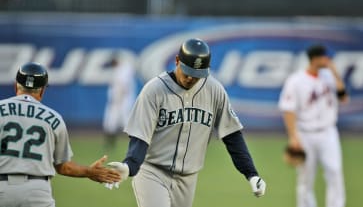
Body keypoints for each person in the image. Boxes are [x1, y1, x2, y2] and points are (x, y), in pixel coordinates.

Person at [106, 38, 266, 207]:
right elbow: (141, 137)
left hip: (188, 179)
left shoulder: (214, 90)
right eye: (187, 71)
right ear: (177, 61)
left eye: (196, 75)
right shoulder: (154, 90)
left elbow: (232, 135)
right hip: (153, 172)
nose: (190, 78)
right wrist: (130, 165)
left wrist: (251, 173)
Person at [0, 63, 121, 207]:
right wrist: (89, 172)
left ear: (16, 86)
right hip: (38, 191)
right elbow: (64, 167)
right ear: (42, 90)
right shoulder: (54, 118)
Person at [279, 45, 348, 207]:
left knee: (335, 173)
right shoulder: (296, 81)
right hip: (306, 134)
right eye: (326, 57)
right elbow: (288, 109)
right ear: (315, 59)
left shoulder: (330, 77)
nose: (329, 60)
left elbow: (344, 98)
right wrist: (293, 137)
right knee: (305, 178)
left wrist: (336, 74)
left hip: (329, 132)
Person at [103, 56, 136, 149]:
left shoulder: (123, 70)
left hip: (121, 101)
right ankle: (111, 143)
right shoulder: (121, 70)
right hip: (120, 101)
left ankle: (134, 142)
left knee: (119, 122)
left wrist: (118, 101)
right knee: (113, 122)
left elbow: (122, 86)